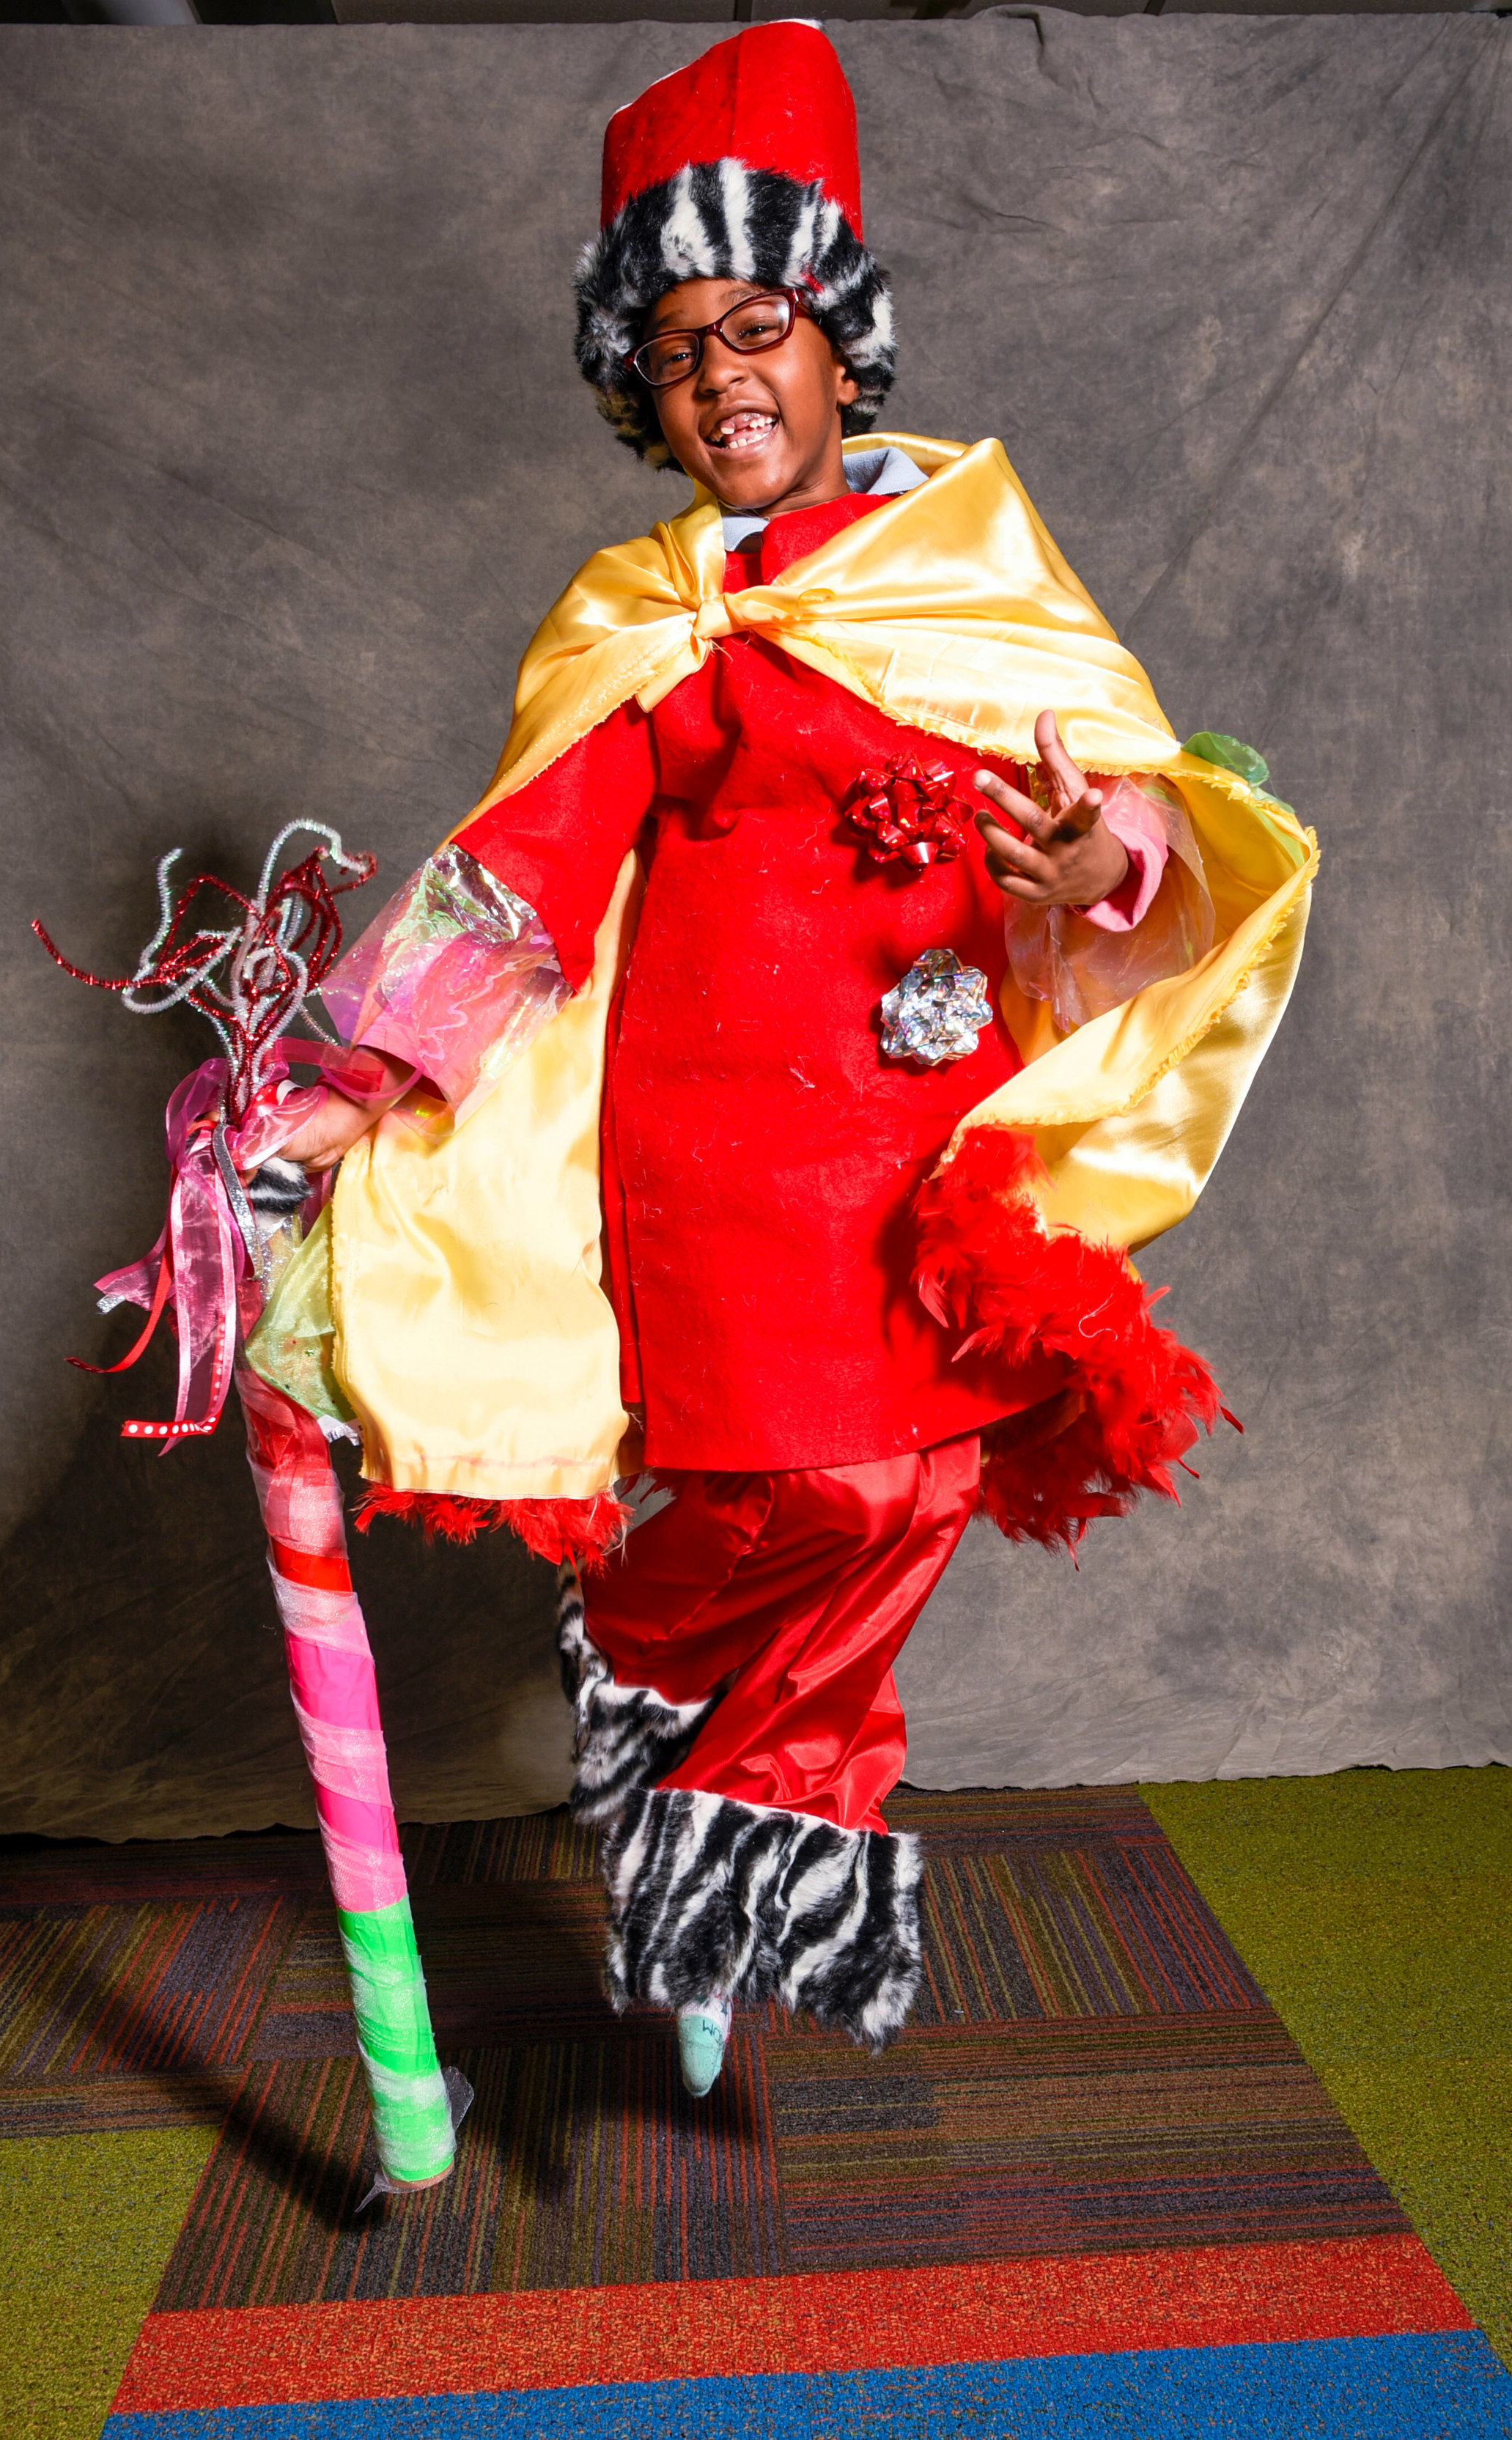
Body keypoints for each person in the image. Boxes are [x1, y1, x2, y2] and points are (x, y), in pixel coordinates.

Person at [237, 24, 1316, 2098]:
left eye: (756, 330)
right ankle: (658, 1675)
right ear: (638, 396)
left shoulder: (978, 569)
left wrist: (1101, 856)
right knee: (806, 1481)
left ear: (839, 348)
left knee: (918, 1483)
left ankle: (703, 1825)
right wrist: (353, 1078)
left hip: (917, 1137)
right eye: (673, 353)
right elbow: (523, 874)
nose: (720, 379)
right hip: (715, 1146)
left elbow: (1131, 801)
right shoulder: (647, 622)